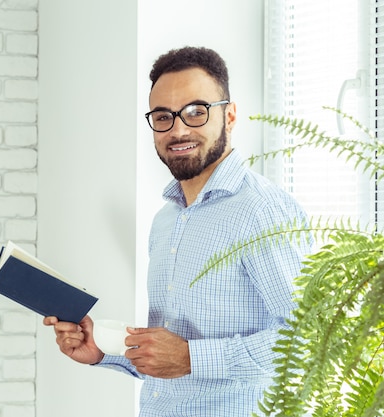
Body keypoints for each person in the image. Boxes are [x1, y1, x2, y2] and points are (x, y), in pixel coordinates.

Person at [43, 46, 311, 417]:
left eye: (196, 111)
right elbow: (170, 361)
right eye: (163, 116)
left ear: (229, 116)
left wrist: (191, 357)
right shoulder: (167, 220)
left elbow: (311, 342)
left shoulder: (262, 212)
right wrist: (103, 352)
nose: (178, 129)